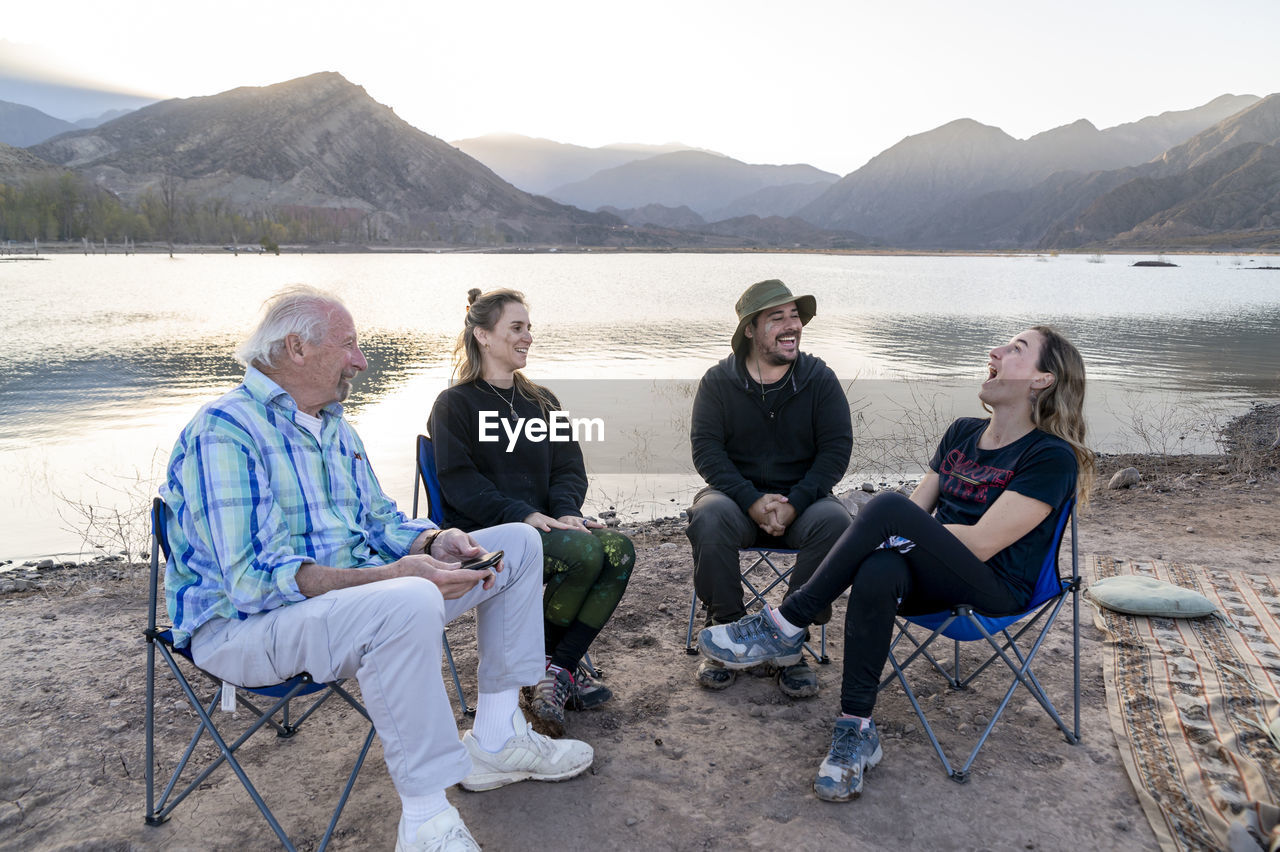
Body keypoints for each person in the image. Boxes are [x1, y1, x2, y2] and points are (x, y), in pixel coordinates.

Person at [160, 285, 593, 852]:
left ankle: (496, 737)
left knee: (516, 544)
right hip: (244, 630)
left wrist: (436, 541)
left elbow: (380, 521)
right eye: (349, 346)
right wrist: (393, 578)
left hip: (351, 607)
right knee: (408, 598)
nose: (361, 361)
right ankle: (426, 821)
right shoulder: (227, 431)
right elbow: (252, 582)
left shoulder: (334, 428)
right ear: (296, 347)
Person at [698, 325, 1096, 802]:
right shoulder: (962, 434)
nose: (995, 351)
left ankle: (785, 622)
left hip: (994, 588)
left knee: (885, 509)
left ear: (1042, 380)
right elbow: (917, 512)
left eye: (1017, 349)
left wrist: (904, 532)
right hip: (934, 577)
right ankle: (856, 728)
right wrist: (901, 537)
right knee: (878, 568)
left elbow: (983, 544)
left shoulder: (1051, 457)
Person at [428, 287, 635, 737]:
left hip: (549, 526)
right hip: (490, 533)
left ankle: (554, 672)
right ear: (483, 334)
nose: (527, 337)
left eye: (529, 329)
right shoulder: (455, 405)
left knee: (618, 548)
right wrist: (523, 514)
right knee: (583, 555)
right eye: (516, 328)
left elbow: (568, 468)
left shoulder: (542, 401)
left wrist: (566, 512)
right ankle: (552, 672)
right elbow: (459, 482)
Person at [686, 278, 853, 698]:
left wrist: (796, 502)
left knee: (837, 520)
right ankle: (724, 632)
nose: (790, 325)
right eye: (776, 318)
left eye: (795, 317)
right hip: (735, 502)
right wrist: (751, 500)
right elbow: (707, 452)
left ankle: (788, 637)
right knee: (708, 514)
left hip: (803, 504)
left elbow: (835, 451)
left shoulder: (819, 379)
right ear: (750, 330)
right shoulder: (717, 382)